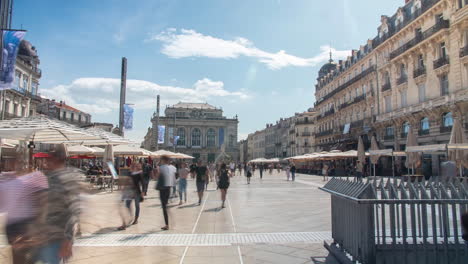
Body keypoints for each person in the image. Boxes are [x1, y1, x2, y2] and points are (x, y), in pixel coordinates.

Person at [34, 144, 83, 264]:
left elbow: (73, 211)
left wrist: (68, 239)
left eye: (50, 156)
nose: (47, 160)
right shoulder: (49, 177)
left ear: (57, 158)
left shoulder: (67, 179)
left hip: (57, 239)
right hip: (44, 237)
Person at [155, 155, 176, 230]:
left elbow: (156, 177)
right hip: (169, 188)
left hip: (162, 188)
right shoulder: (172, 167)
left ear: (163, 160)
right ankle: (169, 222)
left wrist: (157, 167)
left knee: (164, 207)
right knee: (165, 206)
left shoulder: (161, 168)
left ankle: (167, 224)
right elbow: (174, 177)